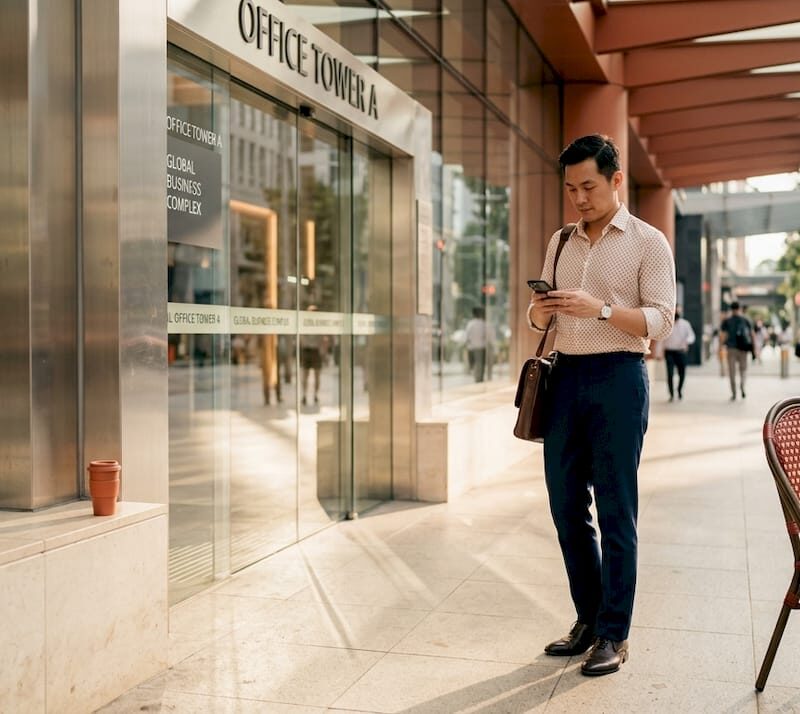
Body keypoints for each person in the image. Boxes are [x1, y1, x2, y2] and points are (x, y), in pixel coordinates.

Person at [527, 134, 675, 677]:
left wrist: (603, 309)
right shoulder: (561, 241)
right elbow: (538, 320)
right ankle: (588, 619)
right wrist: (541, 312)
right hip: (566, 377)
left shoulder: (648, 241)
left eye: (588, 186)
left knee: (616, 509)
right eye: (571, 189)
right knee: (566, 506)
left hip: (619, 377)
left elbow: (662, 318)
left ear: (615, 180)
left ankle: (615, 631)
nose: (579, 198)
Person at [720, 301, 754, 400]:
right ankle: (742, 386)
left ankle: (734, 393)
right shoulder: (746, 319)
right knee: (743, 370)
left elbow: (723, 335)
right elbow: (752, 335)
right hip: (743, 348)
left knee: (732, 372)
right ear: (739, 308)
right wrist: (754, 349)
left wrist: (720, 347)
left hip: (731, 349)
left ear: (731, 309)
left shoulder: (727, 321)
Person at [662, 307, 695, 401]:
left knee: (682, 373)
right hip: (669, 352)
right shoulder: (667, 324)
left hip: (681, 352)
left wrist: (687, 342)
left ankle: (679, 390)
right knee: (670, 374)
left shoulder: (685, 324)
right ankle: (671, 394)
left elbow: (691, 336)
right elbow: (661, 339)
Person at [464, 306, 492, 382]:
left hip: (472, 348)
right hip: (481, 347)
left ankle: (477, 378)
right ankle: (479, 379)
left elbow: (466, 337)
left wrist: (467, 345)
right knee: (480, 364)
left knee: (474, 364)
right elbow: (488, 337)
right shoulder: (484, 324)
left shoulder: (470, 324)